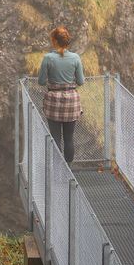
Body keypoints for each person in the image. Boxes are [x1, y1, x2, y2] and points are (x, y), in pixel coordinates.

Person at [37, 26, 84, 164]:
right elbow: (81, 81)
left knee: (55, 138)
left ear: (54, 41)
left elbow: (40, 81)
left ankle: (57, 171)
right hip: (71, 101)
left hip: (53, 100)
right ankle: (68, 170)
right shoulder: (75, 58)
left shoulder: (48, 58)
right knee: (69, 138)